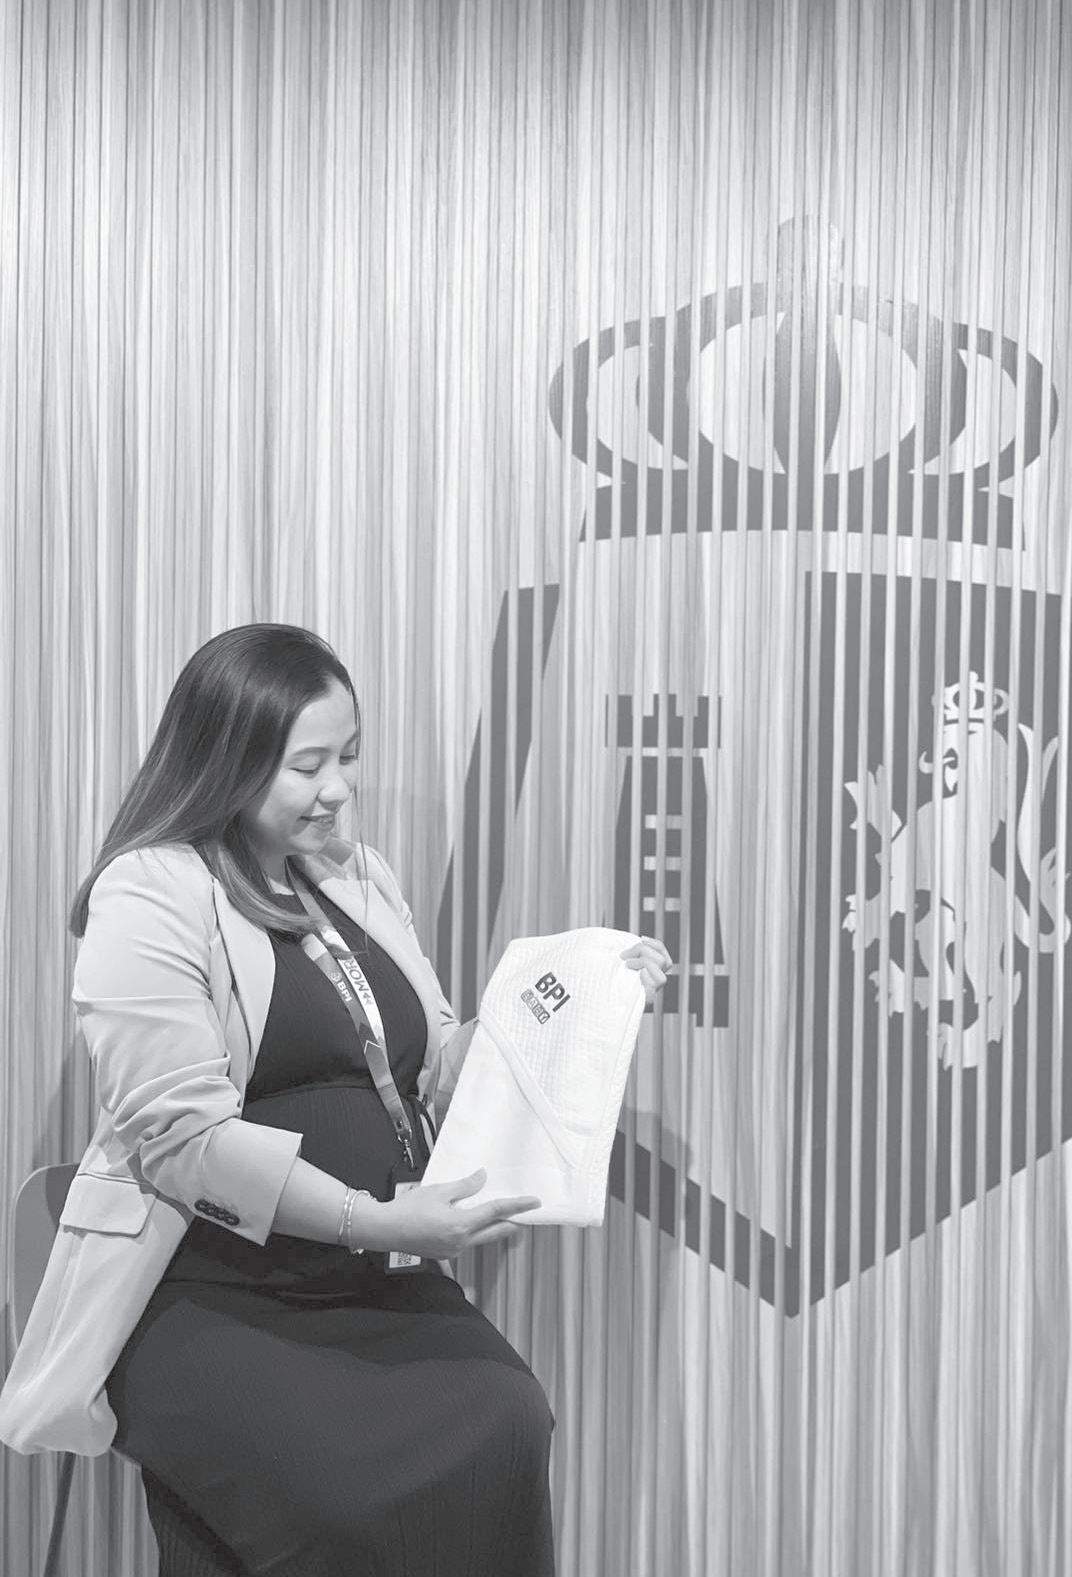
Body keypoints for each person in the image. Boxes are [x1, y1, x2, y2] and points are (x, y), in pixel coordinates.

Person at [0, 624, 671, 1577]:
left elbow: (438, 1059)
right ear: (226, 760)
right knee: (347, 1491)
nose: (339, 789)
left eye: (348, 756)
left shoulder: (356, 874)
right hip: (207, 1285)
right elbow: (181, 1138)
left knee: (506, 1416)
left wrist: (585, 988)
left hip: (368, 1277)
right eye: (307, 766)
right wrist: (371, 1216)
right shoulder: (149, 890)